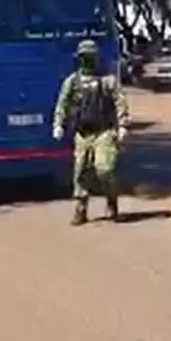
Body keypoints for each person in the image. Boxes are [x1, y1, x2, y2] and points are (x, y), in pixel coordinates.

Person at [52, 39, 130, 225]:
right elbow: (62, 104)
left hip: (104, 131)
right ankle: (81, 208)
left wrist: (123, 126)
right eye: (84, 57)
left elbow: (120, 101)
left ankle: (111, 201)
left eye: (90, 56)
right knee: (81, 171)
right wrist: (58, 124)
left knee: (105, 168)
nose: (87, 60)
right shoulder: (72, 81)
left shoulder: (108, 80)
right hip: (82, 133)